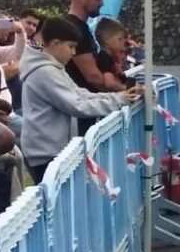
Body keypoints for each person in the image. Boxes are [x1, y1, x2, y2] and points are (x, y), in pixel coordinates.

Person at [20, 17, 136, 183]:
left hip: (51, 150)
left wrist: (119, 97)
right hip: (45, 153)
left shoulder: (53, 68)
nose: (74, 53)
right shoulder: (45, 72)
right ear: (55, 43)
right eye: (71, 46)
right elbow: (76, 105)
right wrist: (118, 101)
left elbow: (80, 94)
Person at [64, 0, 125, 136]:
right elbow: (93, 77)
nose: (102, 3)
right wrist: (125, 94)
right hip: (83, 109)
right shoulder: (73, 29)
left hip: (88, 106)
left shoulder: (82, 28)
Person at [95, 17, 136, 88]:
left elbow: (120, 76)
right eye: (120, 39)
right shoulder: (104, 58)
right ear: (107, 39)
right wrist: (126, 89)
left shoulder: (111, 58)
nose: (123, 42)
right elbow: (110, 83)